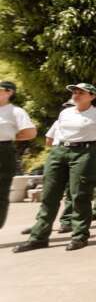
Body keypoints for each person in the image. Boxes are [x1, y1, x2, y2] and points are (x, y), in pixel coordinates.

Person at [14, 83, 96, 252]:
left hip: (84, 153)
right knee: (49, 194)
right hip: (59, 151)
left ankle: (79, 236)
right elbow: (55, 134)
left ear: (92, 96)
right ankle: (39, 237)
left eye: (81, 92)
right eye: (74, 92)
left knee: (80, 194)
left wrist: (95, 142)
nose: (76, 94)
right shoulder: (65, 112)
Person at [0, 81, 37, 228]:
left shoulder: (16, 111)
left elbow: (30, 132)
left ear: (9, 92)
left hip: (3, 150)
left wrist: (10, 137)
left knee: (1, 190)